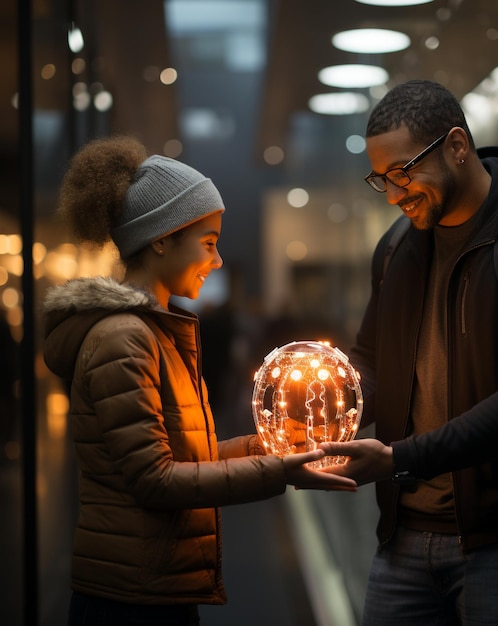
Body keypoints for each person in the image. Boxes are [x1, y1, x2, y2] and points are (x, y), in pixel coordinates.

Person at [320, 79, 498, 625]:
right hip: (405, 536)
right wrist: (322, 401)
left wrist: (399, 458)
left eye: (403, 171)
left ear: (456, 146)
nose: (394, 192)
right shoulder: (397, 248)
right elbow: (372, 362)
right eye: (380, 179)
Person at [42, 136, 356, 626]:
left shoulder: (153, 331)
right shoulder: (125, 339)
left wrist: (267, 448)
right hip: (130, 602)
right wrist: (280, 472)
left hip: (152, 585)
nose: (218, 260)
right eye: (208, 243)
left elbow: (187, 459)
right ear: (161, 238)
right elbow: (155, 480)